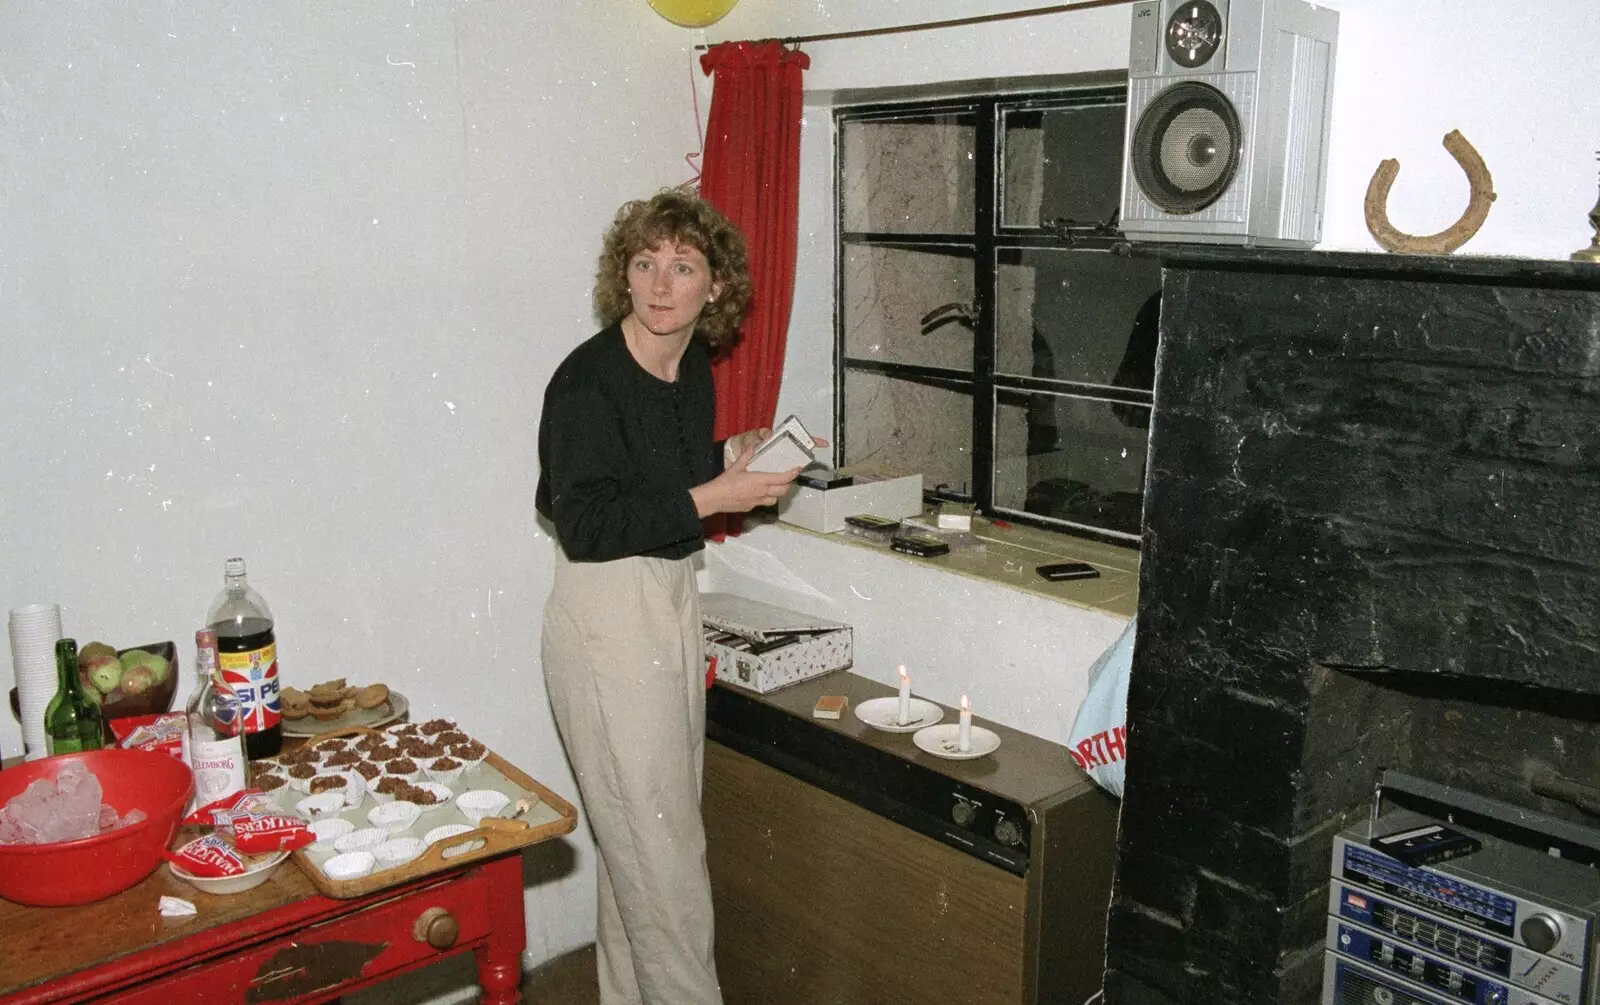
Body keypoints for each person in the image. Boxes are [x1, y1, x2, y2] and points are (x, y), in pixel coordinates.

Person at [535, 188, 801, 1005]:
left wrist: (734, 453)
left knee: (640, 858)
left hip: (671, 598)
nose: (660, 283)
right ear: (624, 273)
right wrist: (715, 496)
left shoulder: (689, 371)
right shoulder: (586, 383)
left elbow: (669, 474)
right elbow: (584, 520)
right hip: (608, 612)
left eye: (683, 266)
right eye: (645, 262)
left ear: (714, 288)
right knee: (667, 869)